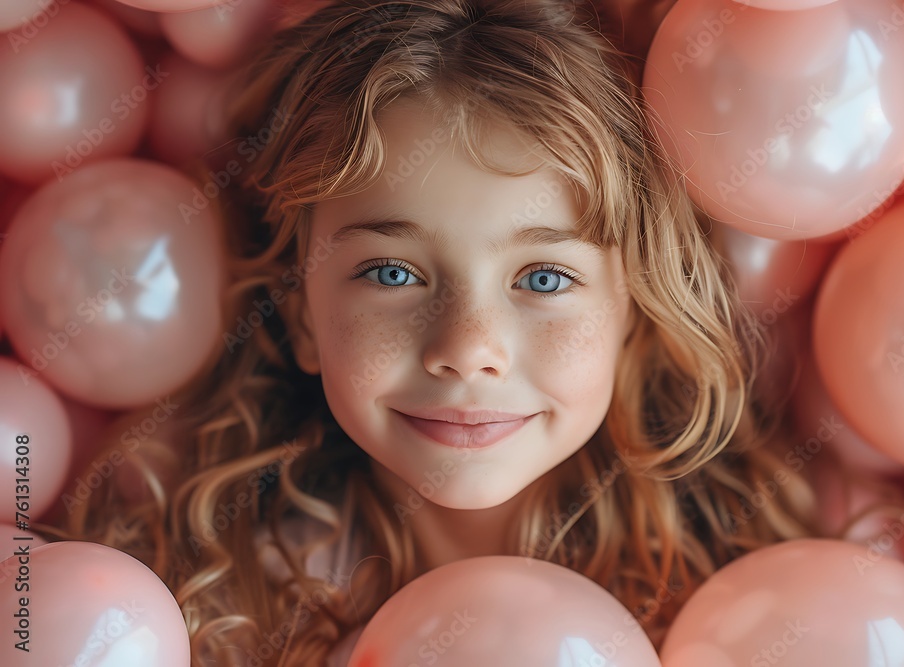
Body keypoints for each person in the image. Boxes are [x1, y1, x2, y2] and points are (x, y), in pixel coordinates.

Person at [61, 0, 816, 664]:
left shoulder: (733, 603)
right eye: (392, 273)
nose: (466, 348)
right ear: (301, 313)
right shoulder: (224, 611)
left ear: (631, 312)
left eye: (544, 278)